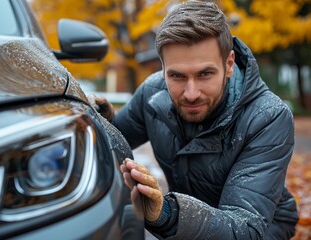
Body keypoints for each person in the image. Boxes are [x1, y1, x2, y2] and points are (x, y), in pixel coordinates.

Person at [88, 0, 299, 239]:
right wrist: (101, 120)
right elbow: (110, 144)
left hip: (262, 228)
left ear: (229, 64)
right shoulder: (152, 93)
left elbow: (245, 228)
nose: (190, 93)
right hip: (191, 225)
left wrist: (167, 213)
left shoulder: (268, 117)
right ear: (163, 68)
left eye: (205, 74)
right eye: (177, 75)